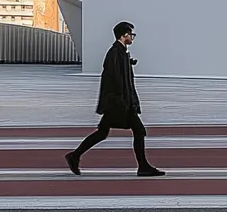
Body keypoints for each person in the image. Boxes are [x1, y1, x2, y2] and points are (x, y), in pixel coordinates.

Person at [65, 21, 164, 177]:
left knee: (103, 132)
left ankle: (75, 155)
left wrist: (128, 64)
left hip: (119, 102)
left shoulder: (120, 52)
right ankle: (143, 166)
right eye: (131, 35)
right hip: (119, 103)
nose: (132, 37)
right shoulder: (114, 53)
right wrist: (122, 101)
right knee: (138, 131)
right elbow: (114, 79)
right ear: (124, 35)